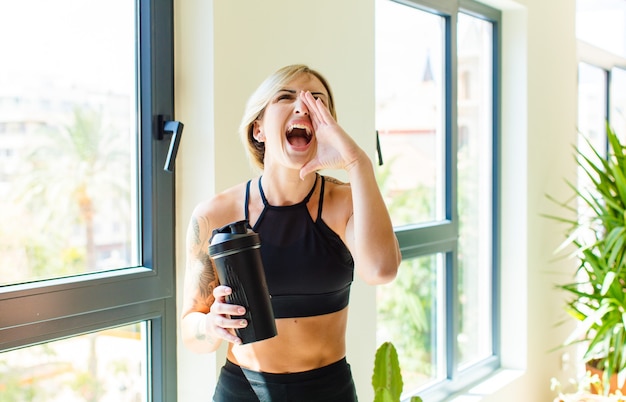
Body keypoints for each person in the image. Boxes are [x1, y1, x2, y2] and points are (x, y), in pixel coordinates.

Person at [180, 64, 401, 401]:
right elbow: (190, 330)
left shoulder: (345, 203)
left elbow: (381, 270)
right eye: (286, 97)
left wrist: (358, 163)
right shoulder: (213, 215)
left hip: (328, 391)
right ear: (259, 129)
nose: (303, 106)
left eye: (317, 101)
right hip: (242, 391)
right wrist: (210, 326)